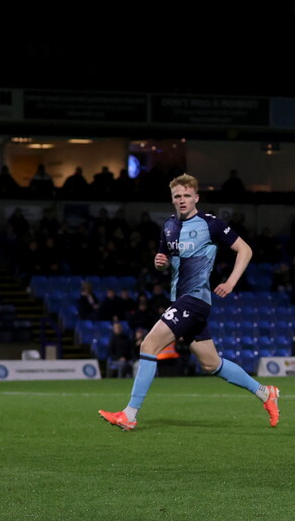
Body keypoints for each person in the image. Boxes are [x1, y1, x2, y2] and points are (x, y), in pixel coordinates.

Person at [98, 173, 279, 431]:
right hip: (181, 299)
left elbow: (245, 250)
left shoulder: (211, 224)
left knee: (149, 344)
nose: (182, 200)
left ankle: (129, 414)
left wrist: (230, 282)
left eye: (186, 195)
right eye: (177, 196)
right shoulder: (169, 226)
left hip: (194, 299)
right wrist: (159, 263)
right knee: (211, 364)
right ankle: (264, 392)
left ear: (196, 197)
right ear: (172, 200)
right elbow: (167, 261)